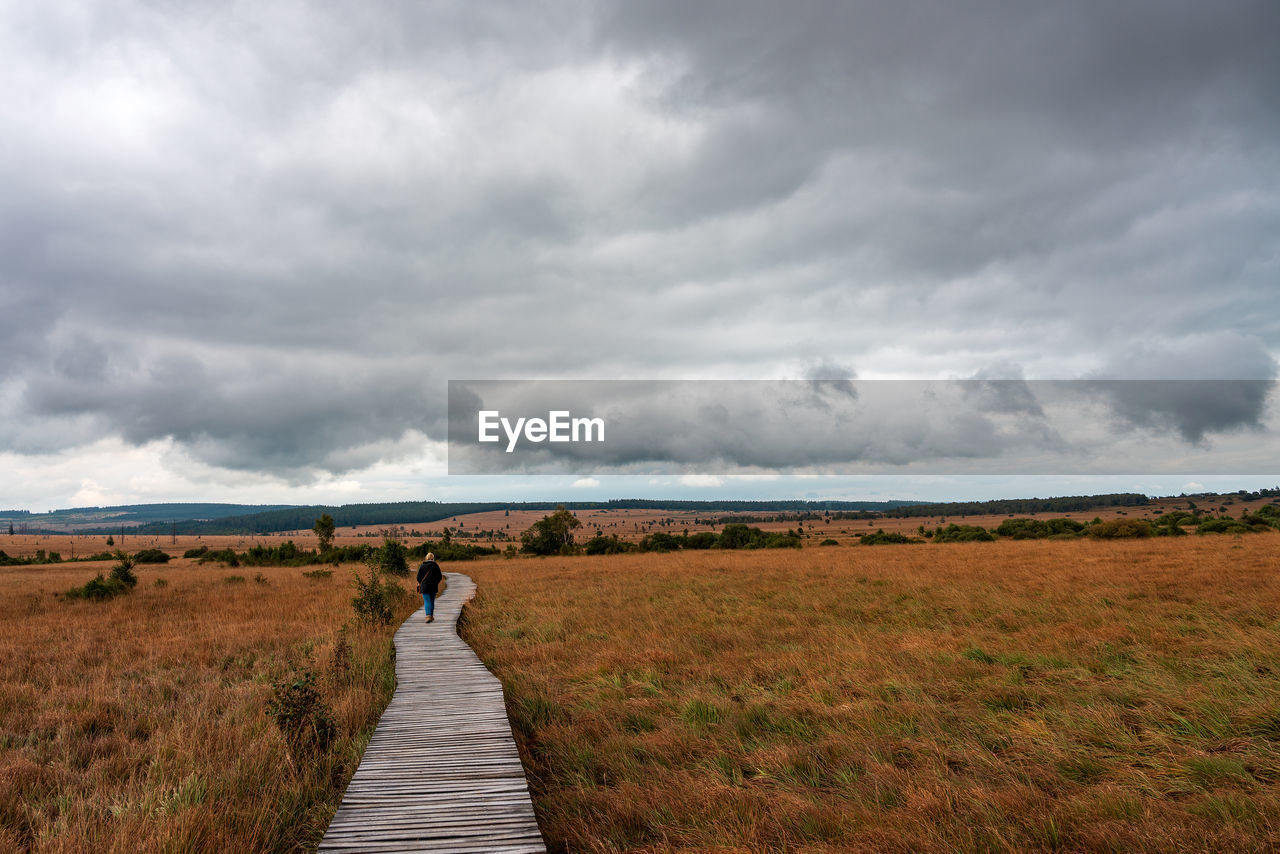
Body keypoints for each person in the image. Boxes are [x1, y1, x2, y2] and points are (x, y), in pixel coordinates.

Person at [416, 552, 443, 623]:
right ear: (433, 558)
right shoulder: (435, 565)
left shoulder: (422, 565)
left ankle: (428, 616)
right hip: (433, 586)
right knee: (432, 601)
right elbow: (440, 576)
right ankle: (431, 615)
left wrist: (421, 583)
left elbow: (418, 577)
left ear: (426, 558)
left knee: (427, 601)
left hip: (424, 586)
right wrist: (436, 582)